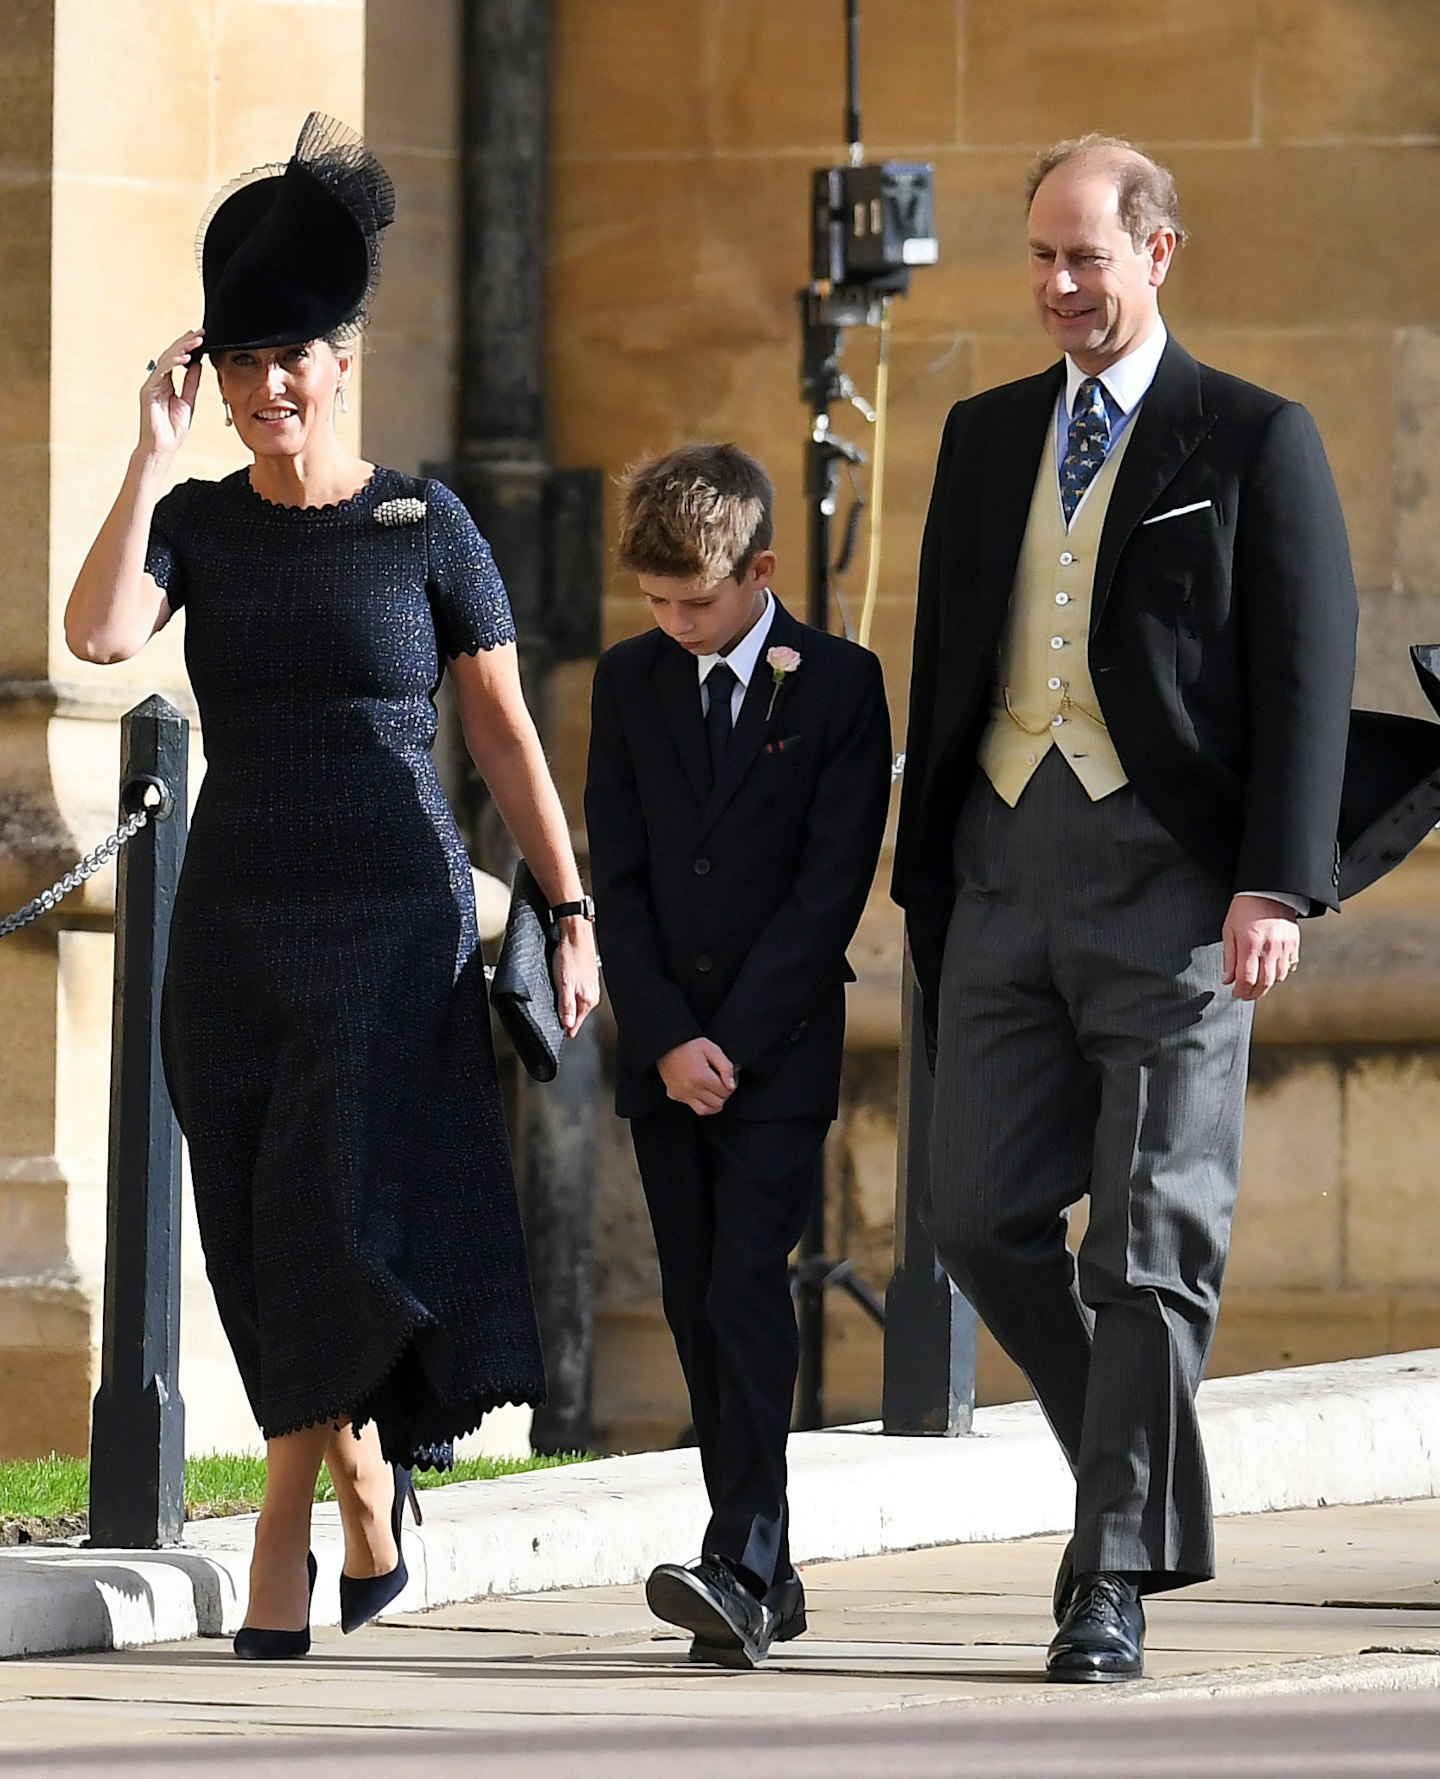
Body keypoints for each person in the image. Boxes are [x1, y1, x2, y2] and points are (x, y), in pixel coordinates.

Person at [64, 114, 599, 1660]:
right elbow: (101, 639)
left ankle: (285, 1531)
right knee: (261, 1222)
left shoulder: (425, 525)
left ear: (344, 359)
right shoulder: (199, 522)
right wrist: (149, 452)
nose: (265, 390)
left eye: (289, 358)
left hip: (391, 925)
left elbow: (501, 735)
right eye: (238, 367)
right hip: (234, 933)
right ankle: (368, 1482)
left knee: (335, 1217)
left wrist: (565, 909)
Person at [893, 135, 1360, 1683]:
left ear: (1158, 253)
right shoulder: (980, 436)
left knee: (1151, 1236)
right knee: (971, 1212)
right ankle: (1137, 1464)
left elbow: (1306, 676)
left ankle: (1111, 1569)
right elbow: (953, 658)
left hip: (1174, 894)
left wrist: (1274, 879)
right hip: (1002, 870)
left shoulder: (1253, 438)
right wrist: (930, 874)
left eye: (1084, 256)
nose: (1057, 285)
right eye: (1038, 256)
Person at [585, 444, 891, 1668]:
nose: (676, 626)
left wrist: (733, 1042)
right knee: (690, 1297)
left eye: (696, 603)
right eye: (655, 606)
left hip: (776, 1052)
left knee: (744, 1289)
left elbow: (830, 890)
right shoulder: (628, 681)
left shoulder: (838, 685)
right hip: (666, 1055)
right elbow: (622, 872)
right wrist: (662, 1035)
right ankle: (757, 1567)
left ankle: (743, 1554)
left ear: (759, 568)